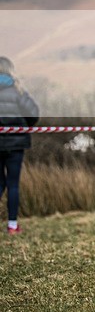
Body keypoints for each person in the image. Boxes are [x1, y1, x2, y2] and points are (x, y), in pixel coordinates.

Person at [0, 57, 39, 235]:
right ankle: (13, 225)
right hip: (16, 143)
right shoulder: (18, 90)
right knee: (13, 184)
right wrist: (24, 127)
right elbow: (33, 113)